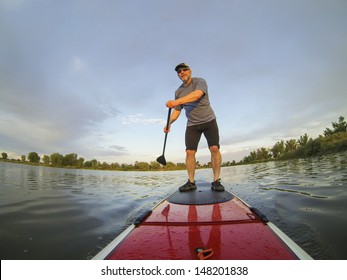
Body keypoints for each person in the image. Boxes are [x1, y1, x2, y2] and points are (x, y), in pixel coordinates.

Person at [164, 63, 225, 192]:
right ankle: (191, 182)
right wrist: (169, 123)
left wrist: (176, 101)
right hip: (192, 124)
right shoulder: (178, 91)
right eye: (179, 71)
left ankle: (216, 181)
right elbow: (177, 110)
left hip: (209, 120)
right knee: (189, 152)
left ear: (190, 71)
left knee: (214, 148)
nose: (182, 72)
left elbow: (196, 95)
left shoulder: (199, 81)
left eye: (184, 70)